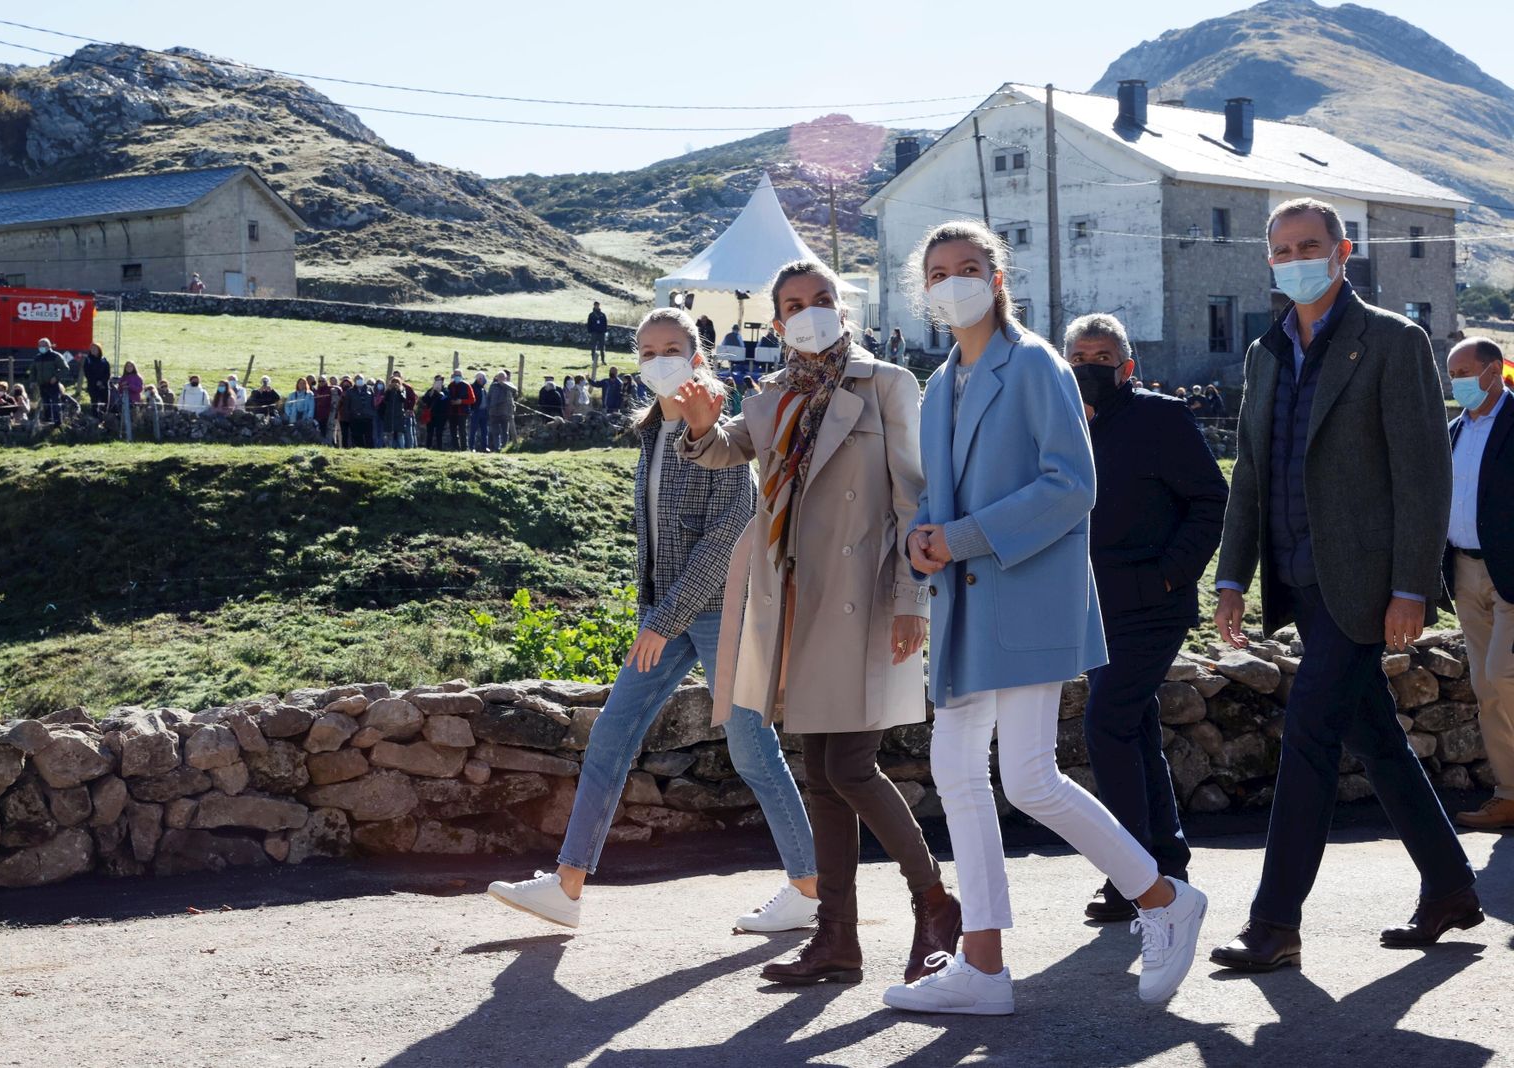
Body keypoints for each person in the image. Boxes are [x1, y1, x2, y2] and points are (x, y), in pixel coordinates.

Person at [885, 221, 1207, 1015]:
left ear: (999, 278)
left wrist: (952, 538)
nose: (952, 281)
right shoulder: (939, 385)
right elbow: (937, 494)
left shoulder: (1036, 365)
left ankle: (1164, 900)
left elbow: (1072, 486)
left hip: (1024, 596)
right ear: (922, 292)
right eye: (937, 272)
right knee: (959, 771)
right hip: (965, 596)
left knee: (1027, 777)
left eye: (968, 267)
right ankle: (985, 969)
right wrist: (919, 537)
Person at [1210, 197, 1479, 972]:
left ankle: (1274, 923)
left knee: (1311, 737)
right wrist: (1232, 576)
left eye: (1309, 244)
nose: (1295, 257)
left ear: (1342, 249)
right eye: (1282, 247)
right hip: (1297, 578)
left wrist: (1410, 586)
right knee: (1377, 741)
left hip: (1364, 586)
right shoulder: (1264, 354)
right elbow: (1252, 476)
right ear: (1269, 259)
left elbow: (1425, 478)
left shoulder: (1393, 342)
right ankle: (1452, 888)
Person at [489, 307, 818, 934]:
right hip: (664, 617)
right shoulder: (651, 435)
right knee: (611, 736)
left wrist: (663, 618)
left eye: (672, 347)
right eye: (646, 351)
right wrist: (657, 614)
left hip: (720, 614)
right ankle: (567, 885)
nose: (658, 359)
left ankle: (808, 888)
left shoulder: (715, 435)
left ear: (699, 356)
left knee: (752, 750)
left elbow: (729, 535)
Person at [677, 259, 953, 988]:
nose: (810, 313)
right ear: (775, 324)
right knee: (822, 777)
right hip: (795, 605)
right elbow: (724, 446)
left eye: (821, 299)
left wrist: (911, 600)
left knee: (848, 767)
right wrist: (701, 424)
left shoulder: (887, 383)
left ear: (843, 306)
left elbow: (913, 503)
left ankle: (934, 903)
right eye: (794, 305)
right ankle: (837, 942)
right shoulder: (770, 398)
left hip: (866, 597)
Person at [1065, 312, 1229, 924]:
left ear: (1127, 366)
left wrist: (1170, 571)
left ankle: (1131, 877)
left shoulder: (1162, 417)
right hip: (1091, 605)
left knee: (1107, 724)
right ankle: (1166, 864)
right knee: (1132, 727)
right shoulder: (1060, 424)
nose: (1090, 368)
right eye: (1079, 357)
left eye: (1103, 358)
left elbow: (1211, 498)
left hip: (1152, 602)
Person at [1441, 337, 1514, 830]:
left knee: (1502, 676)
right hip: (1464, 572)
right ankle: (1509, 794)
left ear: (1494, 371)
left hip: (1510, 572)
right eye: (1452, 375)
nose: (1457, 383)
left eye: (1465, 372)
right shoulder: (1452, 432)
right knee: (1485, 685)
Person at [488, 371, 517, 450]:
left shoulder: (509, 385)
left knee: (505, 432)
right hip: (493, 412)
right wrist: (489, 409)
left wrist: (504, 384)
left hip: (505, 412)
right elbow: (489, 397)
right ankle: (497, 447)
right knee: (495, 432)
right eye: (499, 377)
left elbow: (515, 391)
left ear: (506, 378)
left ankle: (504, 447)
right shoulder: (493, 386)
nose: (501, 379)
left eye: (502, 377)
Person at [446, 371, 475, 450]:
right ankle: (455, 448)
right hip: (452, 412)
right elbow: (447, 397)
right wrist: (451, 401)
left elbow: (472, 399)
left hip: (463, 412)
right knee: (453, 431)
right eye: (456, 375)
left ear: (462, 376)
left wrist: (461, 401)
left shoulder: (467, 385)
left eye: (458, 375)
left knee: (462, 431)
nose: (457, 377)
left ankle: (464, 448)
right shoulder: (450, 386)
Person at [343, 375, 374, 448]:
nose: (359, 381)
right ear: (354, 381)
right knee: (357, 435)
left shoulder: (369, 389)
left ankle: (370, 449)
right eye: (357, 379)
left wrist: (372, 413)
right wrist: (349, 415)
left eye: (361, 379)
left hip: (367, 417)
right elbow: (347, 405)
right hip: (355, 417)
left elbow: (373, 402)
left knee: (368, 436)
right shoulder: (350, 391)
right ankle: (360, 448)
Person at [379, 375, 409, 448]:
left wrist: (399, 390)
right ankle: (390, 447)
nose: (395, 384)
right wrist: (389, 390)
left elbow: (403, 399)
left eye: (397, 382)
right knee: (389, 433)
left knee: (400, 434)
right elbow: (385, 399)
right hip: (390, 415)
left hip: (399, 415)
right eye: (393, 382)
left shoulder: (402, 390)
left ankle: (401, 448)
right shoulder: (388, 391)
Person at [82, 343, 110, 416]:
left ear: (99, 350)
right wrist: (95, 382)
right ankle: (95, 418)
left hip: (103, 384)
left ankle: (104, 418)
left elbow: (107, 373)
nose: (93, 350)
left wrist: (102, 381)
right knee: (94, 402)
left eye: (95, 349)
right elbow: (87, 373)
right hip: (92, 385)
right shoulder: (88, 360)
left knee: (105, 402)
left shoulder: (104, 360)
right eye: (92, 349)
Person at [30, 338, 62, 402]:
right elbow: (33, 371)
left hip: (53, 386)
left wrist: (56, 377)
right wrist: (32, 381)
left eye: (43, 346)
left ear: (48, 346)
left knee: (55, 406)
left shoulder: (56, 356)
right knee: (45, 406)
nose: (41, 348)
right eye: (39, 346)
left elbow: (65, 369)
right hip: (41, 386)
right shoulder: (37, 357)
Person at [469, 371, 491, 451]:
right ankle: (471, 448)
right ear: (479, 379)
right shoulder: (472, 387)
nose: (485, 380)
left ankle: (484, 447)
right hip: (476, 411)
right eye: (483, 378)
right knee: (473, 431)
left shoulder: (483, 388)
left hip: (484, 412)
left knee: (485, 431)